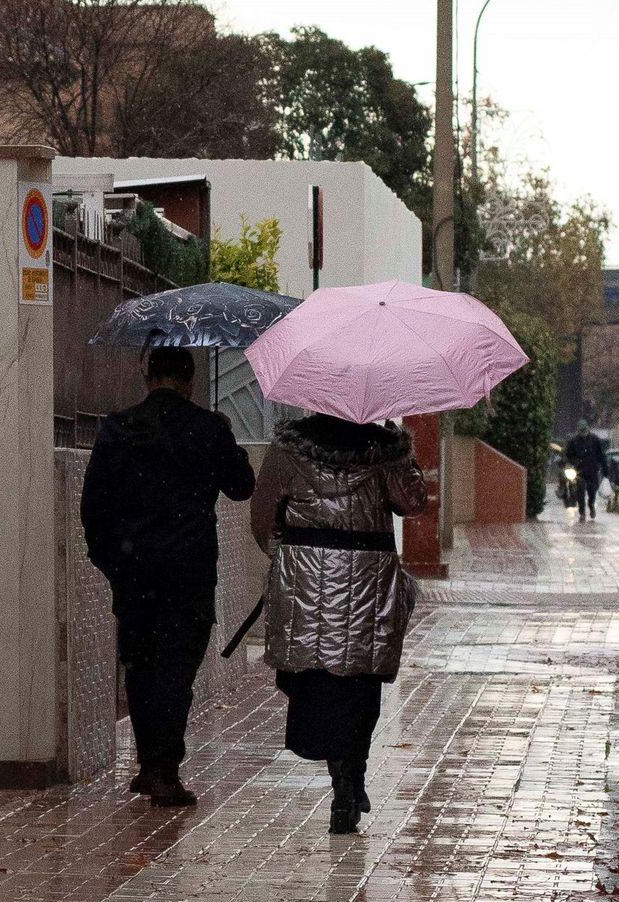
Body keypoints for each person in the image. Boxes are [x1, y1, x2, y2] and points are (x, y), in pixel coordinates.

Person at [81, 346, 255, 807]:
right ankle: (163, 770)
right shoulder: (207, 429)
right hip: (188, 573)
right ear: (190, 380)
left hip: (134, 571)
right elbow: (242, 487)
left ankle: (150, 764)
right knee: (176, 670)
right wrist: (226, 438)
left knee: (140, 666)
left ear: (147, 376)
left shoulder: (117, 429)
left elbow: (93, 507)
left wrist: (113, 564)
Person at [249, 414, 427, 834]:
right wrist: (404, 452)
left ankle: (344, 784)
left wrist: (287, 555)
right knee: (359, 686)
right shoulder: (385, 451)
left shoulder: (289, 449)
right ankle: (350, 782)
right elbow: (413, 503)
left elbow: (263, 514)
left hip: (307, 582)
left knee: (321, 683)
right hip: (368, 584)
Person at [564, 420, 609, 520]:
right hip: (579, 471)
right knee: (580, 492)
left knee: (592, 491)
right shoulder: (573, 441)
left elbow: (601, 455)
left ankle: (591, 505)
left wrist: (605, 469)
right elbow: (568, 455)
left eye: (584, 430)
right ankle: (582, 512)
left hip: (592, 470)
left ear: (587, 429)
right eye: (581, 430)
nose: (583, 432)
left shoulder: (595, 440)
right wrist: (574, 462)